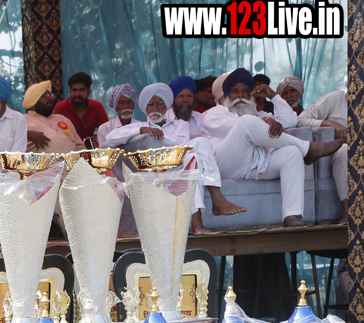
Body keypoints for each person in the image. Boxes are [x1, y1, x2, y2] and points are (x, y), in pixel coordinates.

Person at [201, 68, 343, 227]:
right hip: (227, 166)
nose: (240, 96)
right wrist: (264, 121)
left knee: (292, 152)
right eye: (235, 91)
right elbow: (240, 127)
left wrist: (273, 95)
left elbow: (290, 121)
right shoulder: (215, 113)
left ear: (251, 95)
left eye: (245, 91)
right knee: (246, 122)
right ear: (227, 95)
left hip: (257, 165)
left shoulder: (259, 115)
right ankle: (308, 149)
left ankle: (291, 216)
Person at [106, 82, 242, 233]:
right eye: (151, 104)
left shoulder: (179, 124)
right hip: (155, 171)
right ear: (145, 108)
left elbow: (181, 143)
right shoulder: (140, 126)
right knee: (199, 148)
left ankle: (198, 222)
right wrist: (142, 130)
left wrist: (160, 137)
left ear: (166, 107)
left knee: (195, 155)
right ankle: (213, 200)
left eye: (159, 104)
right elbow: (111, 137)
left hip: (179, 166)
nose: (155, 108)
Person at [297, 87, 348, 218]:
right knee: (344, 151)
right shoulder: (337, 98)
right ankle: (348, 211)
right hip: (343, 149)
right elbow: (301, 120)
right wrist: (330, 124)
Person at [23, 80, 82, 153]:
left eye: (51, 95)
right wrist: (26, 134)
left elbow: (80, 147)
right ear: (33, 100)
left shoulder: (63, 118)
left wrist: (84, 160)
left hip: (74, 160)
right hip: (43, 161)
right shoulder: (23, 120)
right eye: (45, 95)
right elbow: (10, 136)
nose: (51, 97)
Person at [53, 72, 108, 146]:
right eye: (74, 90)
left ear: (88, 92)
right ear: (70, 92)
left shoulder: (97, 107)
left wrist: (100, 139)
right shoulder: (60, 108)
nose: (77, 94)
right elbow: (53, 133)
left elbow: (106, 133)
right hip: (67, 150)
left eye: (81, 90)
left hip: (89, 150)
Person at [96, 83, 136, 148]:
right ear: (116, 106)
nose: (126, 106)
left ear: (133, 104)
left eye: (129, 102)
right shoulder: (105, 129)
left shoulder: (142, 126)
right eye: (122, 103)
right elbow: (105, 151)